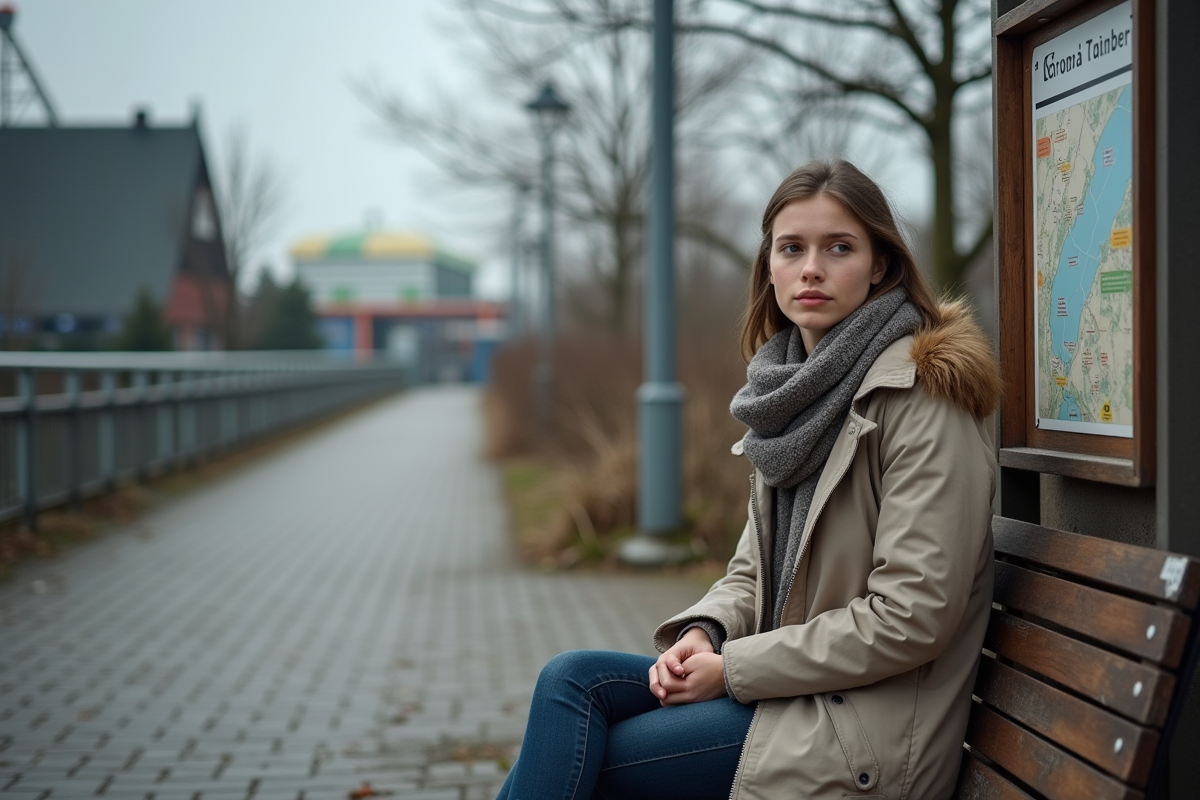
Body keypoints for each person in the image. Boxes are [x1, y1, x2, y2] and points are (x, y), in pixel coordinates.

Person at [494, 160, 1001, 800]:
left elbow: (910, 618)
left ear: (880, 265)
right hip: (795, 694)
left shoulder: (923, 399)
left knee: (581, 762)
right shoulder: (793, 399)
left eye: (838, 247)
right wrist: (705, 632)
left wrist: (730, 670)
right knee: (571, 682)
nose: (811, 268)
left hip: (865, 733)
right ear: (769, 265)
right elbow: (751, 573)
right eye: (792, 248)